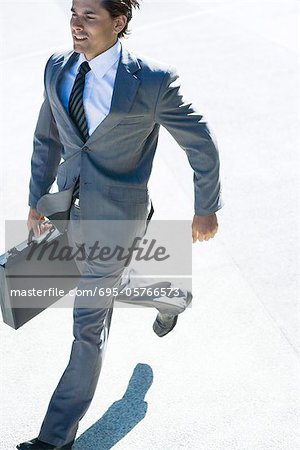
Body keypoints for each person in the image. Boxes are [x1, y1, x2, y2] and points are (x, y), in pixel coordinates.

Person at [18, 0, 223, 448]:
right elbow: (46, 137)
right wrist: (36, 199)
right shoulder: (57, 68)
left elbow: (201, 144)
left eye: (90, 15)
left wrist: (205, 208)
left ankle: (54, 438)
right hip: (65, 212)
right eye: (73, 12)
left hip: (117, 220)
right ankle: (173, 297)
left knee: (88, 324)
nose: (77, 23)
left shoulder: (151, 81)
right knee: (102, 287)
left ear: (119, 22)